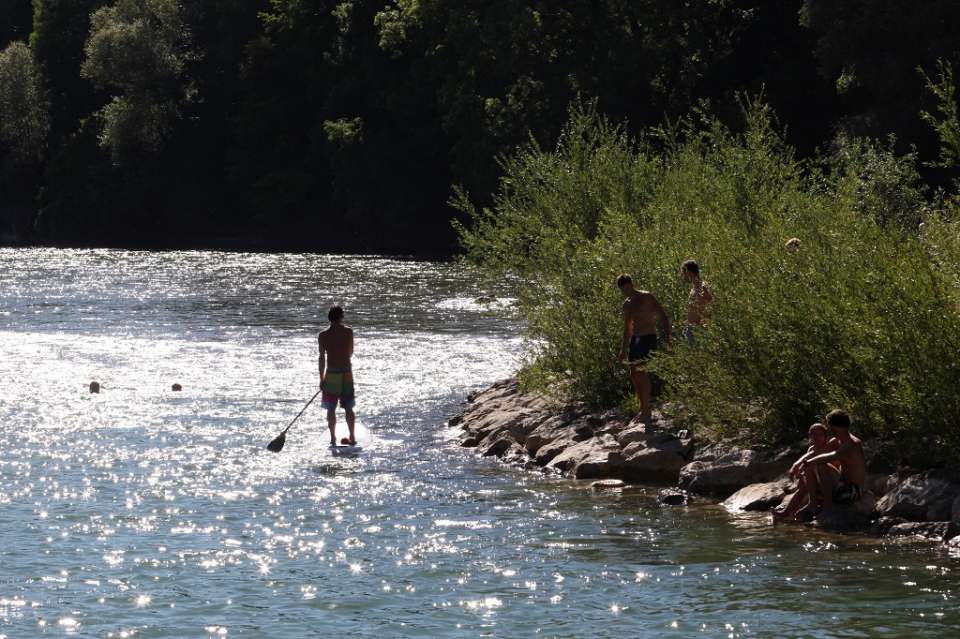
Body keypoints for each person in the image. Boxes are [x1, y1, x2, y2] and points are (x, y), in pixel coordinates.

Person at [616, 274, 671, 424]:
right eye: (623, 290)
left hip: (648, 338)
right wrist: (623, 349)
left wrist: (668, 337)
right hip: (635, 339)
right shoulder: (627, 304)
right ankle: (643, 408)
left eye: (627, 287)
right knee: (634, 374)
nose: (626, 291)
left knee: (641, 372)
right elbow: (627, 329)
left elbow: (662, 316)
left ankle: (646, 410)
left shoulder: (647, 297)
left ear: (632, 284)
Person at [797, 409, 866, 516]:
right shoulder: (837, 440)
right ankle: (812, 504)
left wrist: (807, 463)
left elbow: (830, 456)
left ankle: (827, 507)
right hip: (842, 484)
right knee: (812, 467)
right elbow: (818, 452)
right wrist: (798, 465)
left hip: (852, 491)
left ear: (835, 426)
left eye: (830, 426)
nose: (829, 429)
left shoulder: (851, 443)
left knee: (820, 465)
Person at [773, 423, 833, 522]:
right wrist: (802, 477)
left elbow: (812, 458)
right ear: (810, 437)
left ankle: (812, 504)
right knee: (803, 486)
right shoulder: (811, 448)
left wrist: (797, 465)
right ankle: (785, 512)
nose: (817, 437)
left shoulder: (829, 446)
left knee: (810, 466)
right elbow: (809, 460)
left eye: (820, 435)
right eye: (814, 435)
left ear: (825, 436)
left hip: (830, 481)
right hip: (818, 481)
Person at [319, 306, 356, 446]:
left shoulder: (323, 336)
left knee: (331, 408)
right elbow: (350, 352)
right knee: (348, 407)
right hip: (346, 373)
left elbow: (321, 359)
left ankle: (333, 438)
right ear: (341, 317)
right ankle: (352, 437)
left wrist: (321, 378)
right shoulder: (348, 332)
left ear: (329, 317)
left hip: (331, 375)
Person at [680, 260, 712, 347]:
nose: (682, 276)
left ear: (689, 272)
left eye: (683, 273)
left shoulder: (702, 286)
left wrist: (704, 324)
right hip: (690, 328)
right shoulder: (694, 288)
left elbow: (710, 302)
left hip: (698, 329)